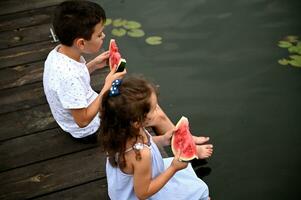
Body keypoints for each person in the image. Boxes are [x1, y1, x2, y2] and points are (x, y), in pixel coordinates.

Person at [43, 0, 213, 157]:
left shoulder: (59, 53)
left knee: (146, 103)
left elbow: (75, 82)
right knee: (152, 115)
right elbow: (82, 120)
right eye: (99, 34)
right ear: (81, 43)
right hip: (89, 131)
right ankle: (186, 148)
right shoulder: (68, 76)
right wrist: (107, 87)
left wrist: (93, 64)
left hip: (83, 109)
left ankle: (185, 139)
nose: (103, 37)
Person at [100, 75, 211, 200]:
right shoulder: (141, 155)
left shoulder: (120, 130)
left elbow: (147, 142)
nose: (158, 112)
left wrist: (163, 139)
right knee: (198, 190)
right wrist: (173, 168)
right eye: (154, 109)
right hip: (140, 193)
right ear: (137, 121)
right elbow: (143, 193)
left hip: (134, 181)